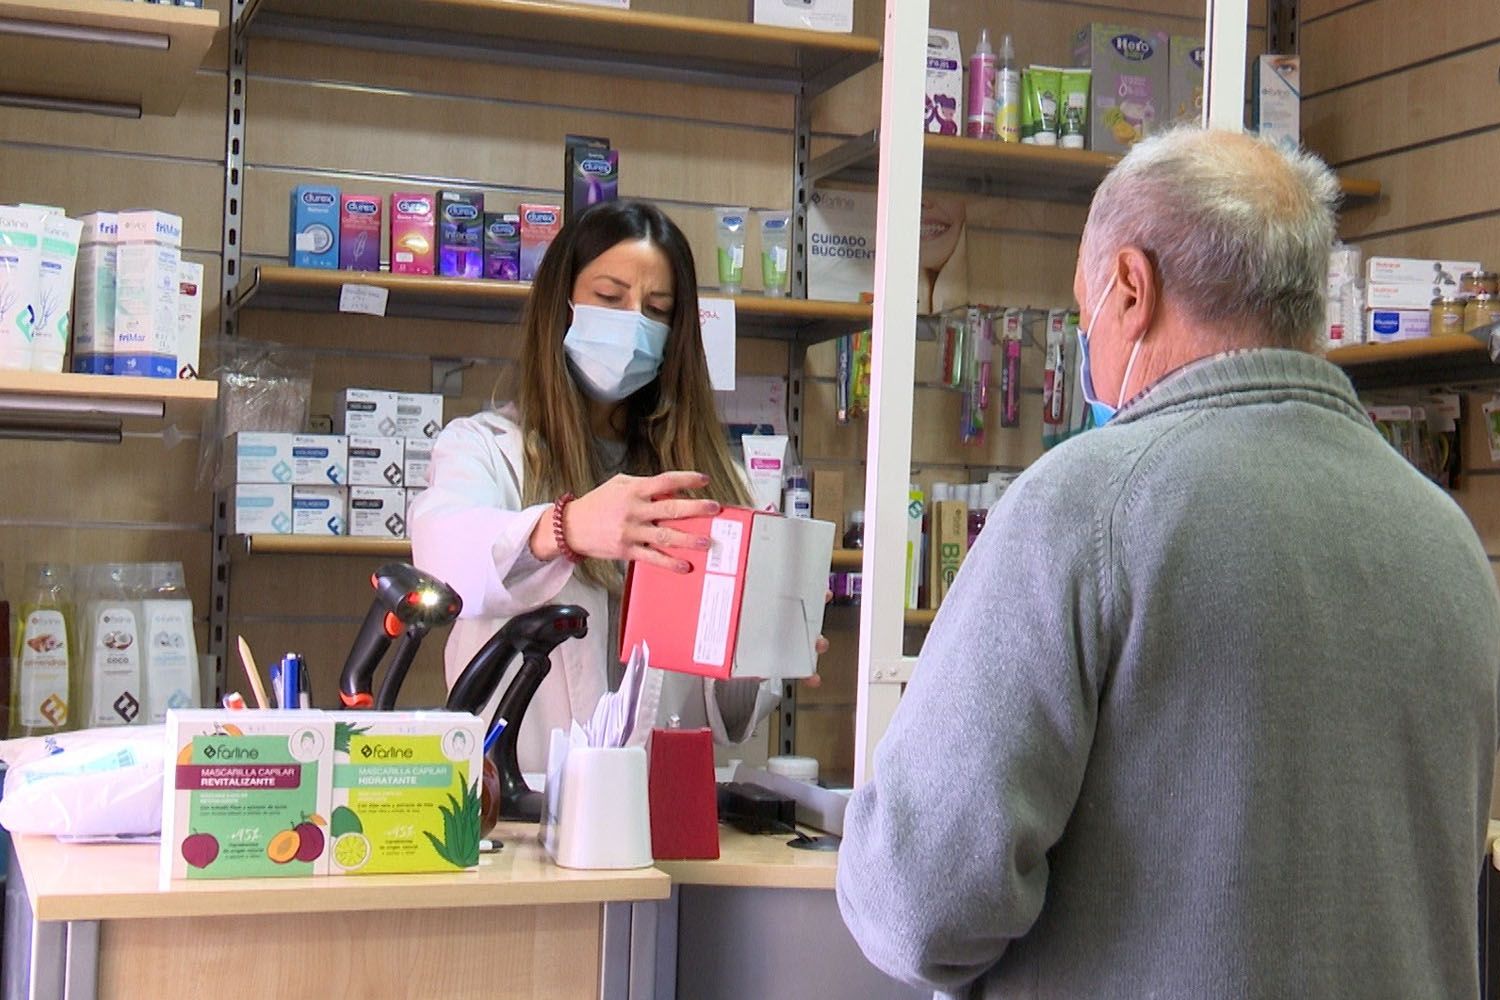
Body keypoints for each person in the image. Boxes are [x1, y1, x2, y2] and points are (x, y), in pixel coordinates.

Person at [836, 127, 1500, 998]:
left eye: (1084, 311)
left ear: (1131, 288)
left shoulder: (1082, 508)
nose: (1088, 343)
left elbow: (916, 902)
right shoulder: (1447, 538)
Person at [411, 199, 794, 773]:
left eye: (657, 308)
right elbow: (444, 556)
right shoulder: (486, 449)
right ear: (560, 306)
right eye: (610, 299)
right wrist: (561, 529)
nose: (634, 321)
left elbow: (731, 715)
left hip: (660, 814)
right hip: (522, 808)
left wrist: (763, 645)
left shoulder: (705, 477)